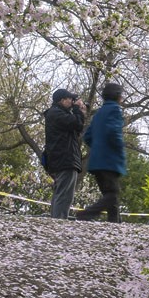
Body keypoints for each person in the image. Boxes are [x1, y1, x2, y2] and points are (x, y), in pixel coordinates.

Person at [77, 83, 126, 223]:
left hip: (96, 161)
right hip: (109, 160)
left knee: (110, 195)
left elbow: (87, 136)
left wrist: (97, 147)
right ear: (117, 96)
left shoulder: (98, 113)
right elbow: (114, 132)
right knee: (112, 194)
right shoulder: (115, 110)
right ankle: (86, 214)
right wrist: (118, 149)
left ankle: (115, 224)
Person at [44, 88, 86, 219]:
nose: (73, 102)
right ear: (62, 100)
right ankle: (59, 222)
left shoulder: (58, 114)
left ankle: (57, 221)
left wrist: (78, 112)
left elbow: (75, 129)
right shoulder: (56, 113)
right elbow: (77, 124)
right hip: (64, 159)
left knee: (61, 192)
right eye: (70, 99)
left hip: (62, 159)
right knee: (64, 194)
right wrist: (78, 111)